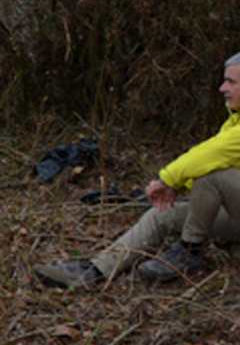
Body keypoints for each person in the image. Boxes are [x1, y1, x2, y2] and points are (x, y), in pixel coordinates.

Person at [35, 52, 240, 287]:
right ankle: (95, 270)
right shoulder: (234, 122)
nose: (222, 88)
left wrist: (166, 181)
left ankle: (189, 250)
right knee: (161, 215)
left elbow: (209, 154)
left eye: (231, 82)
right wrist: (177, 187)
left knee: (212, 176)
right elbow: (214, 161)